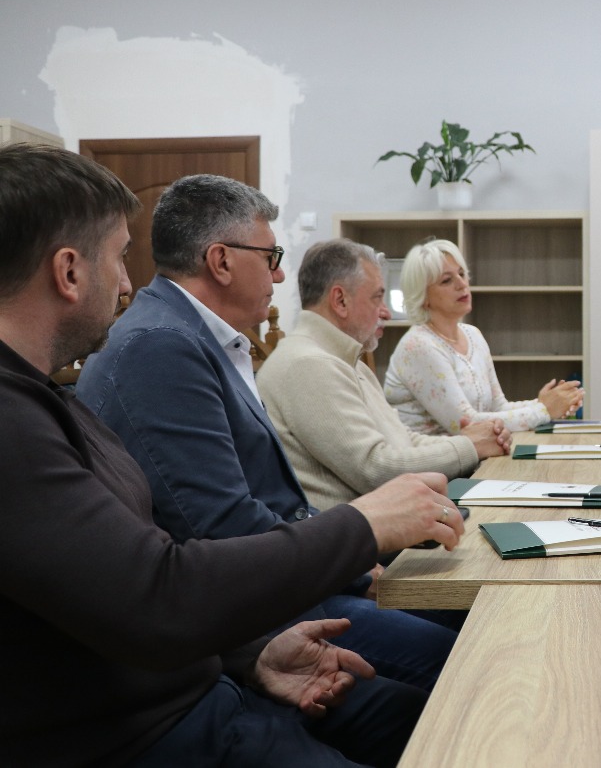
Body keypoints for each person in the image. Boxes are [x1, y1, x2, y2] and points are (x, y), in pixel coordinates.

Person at [0, 144, 460, 766]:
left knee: (438, 707)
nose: (130, 283)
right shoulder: (71, 389)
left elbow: (114, 588)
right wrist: (365, 526)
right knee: (461, 696)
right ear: (69, 272)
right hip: (166, 725)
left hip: (207, 676)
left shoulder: (42, 394)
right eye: (119, 257)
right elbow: (167, 583)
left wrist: (250, 656)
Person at [78, 174, 462, 693]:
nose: (279, 276)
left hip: (279, 582)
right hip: (253, 616)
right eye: (271, 257)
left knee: (467, 613)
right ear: (221, 261)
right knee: (462, 656)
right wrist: (356, 550)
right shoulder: (161, 346)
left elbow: (262, 506)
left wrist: (354, 562)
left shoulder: (192, 336)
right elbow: (222, 525)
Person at [258, 238, 512, 511]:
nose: (387, 313)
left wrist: (470, 442)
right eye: (377, 297)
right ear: (340, 300)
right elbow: (377, 470)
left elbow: (403, 440)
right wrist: (469, 446)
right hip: (358, 536)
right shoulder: (309, 364)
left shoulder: (345, 361)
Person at [384, 237, 582, 434]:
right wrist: (544, 410)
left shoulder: (473, 335)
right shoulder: (418, 346)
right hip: (432, 454)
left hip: (473, 452)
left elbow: (497, 407)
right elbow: (467, 424)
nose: (461, 284)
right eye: (446, 280)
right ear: (423, 296)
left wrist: (548, 402)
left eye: (462, 274)